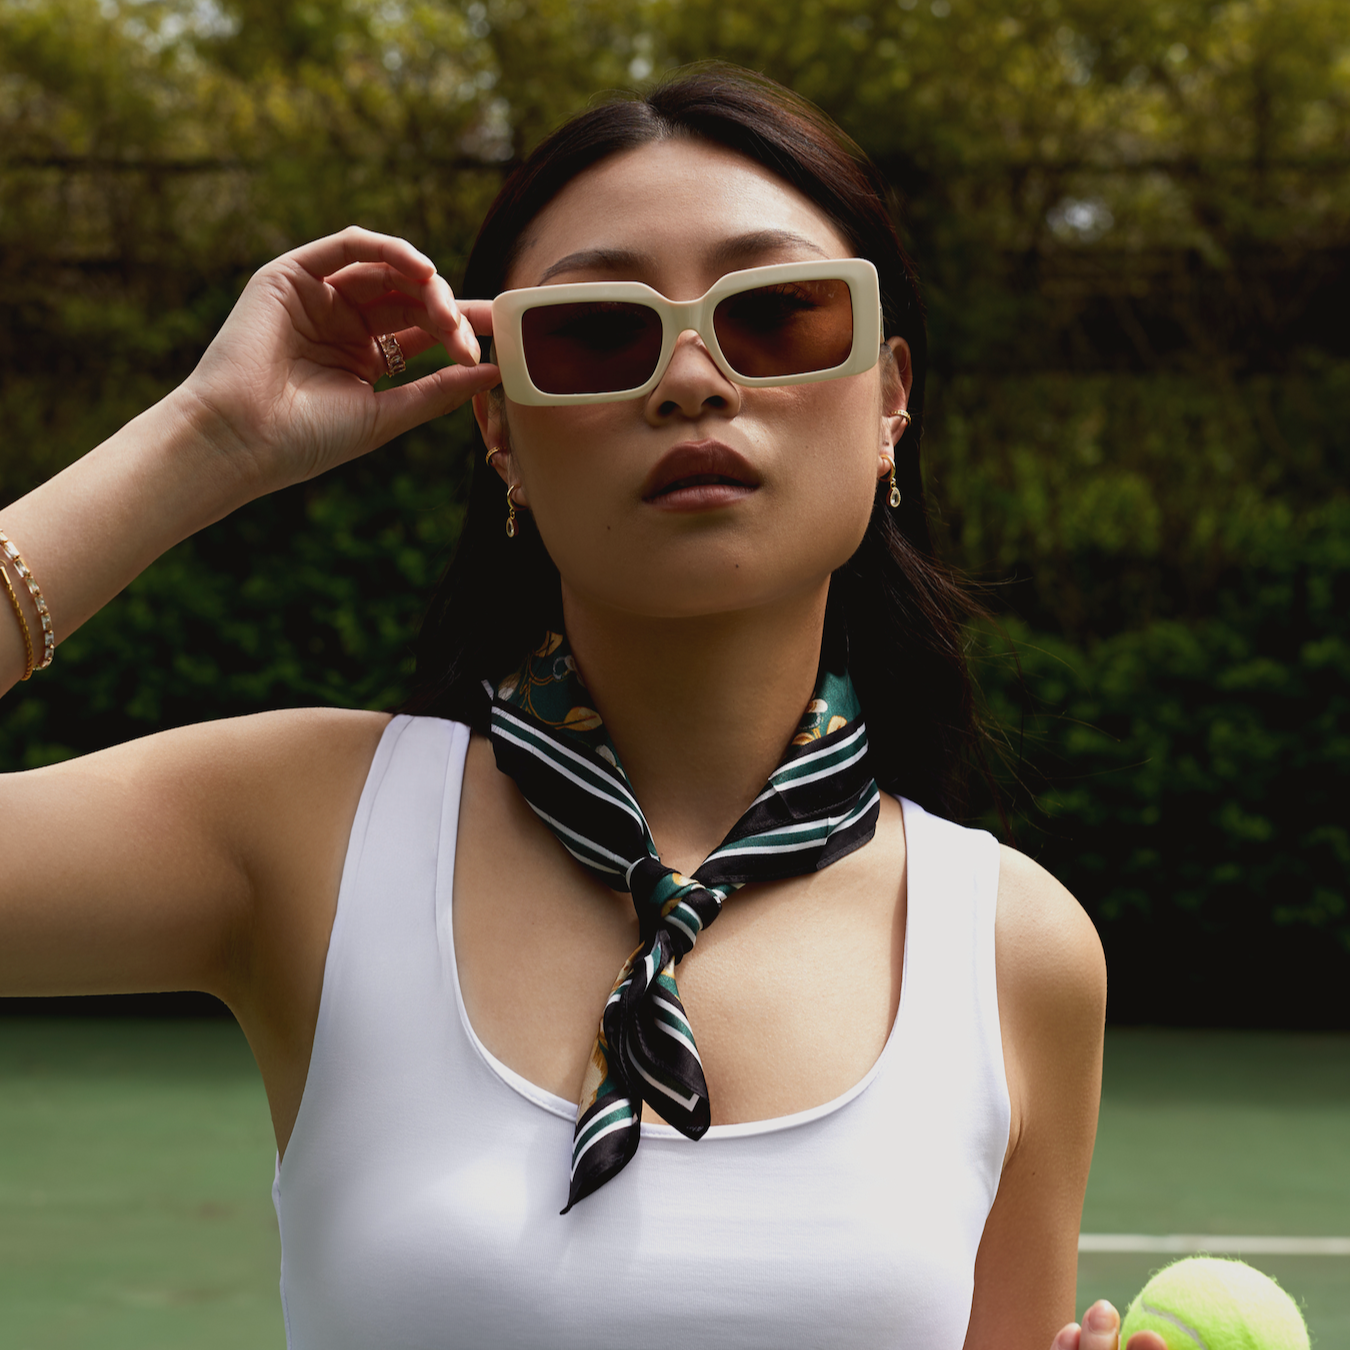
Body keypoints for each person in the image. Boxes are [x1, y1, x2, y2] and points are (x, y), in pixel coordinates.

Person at [0, 66, 1161, 1350]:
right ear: (498, 426)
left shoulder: (1013, 948)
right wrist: (204, 441)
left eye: (775, 315)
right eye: (596, 334)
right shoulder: (304, 832)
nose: (691, 379)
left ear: (891, 399)